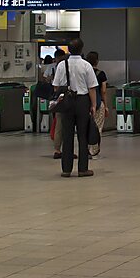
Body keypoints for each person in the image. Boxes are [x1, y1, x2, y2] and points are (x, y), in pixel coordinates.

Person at [53, 38, 99, 177]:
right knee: (82, 136)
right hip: (82, 101)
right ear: (81, 49)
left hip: (67, 102)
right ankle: (82, 169)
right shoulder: (86, 65)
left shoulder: (62, 65)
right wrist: (93, 105)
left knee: (67, 136)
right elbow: (91, 87)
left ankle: (66, 169)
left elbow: (55, 86)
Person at [87, 51, 108, 158]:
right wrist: (106, 105)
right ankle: (94, 149)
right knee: (98, 127)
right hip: (99, 103)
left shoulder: (85, 72)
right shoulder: (101, 74)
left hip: (86, 103)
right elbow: (103, 91)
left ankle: (86, 148)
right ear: (97, 61)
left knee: (86, 127)